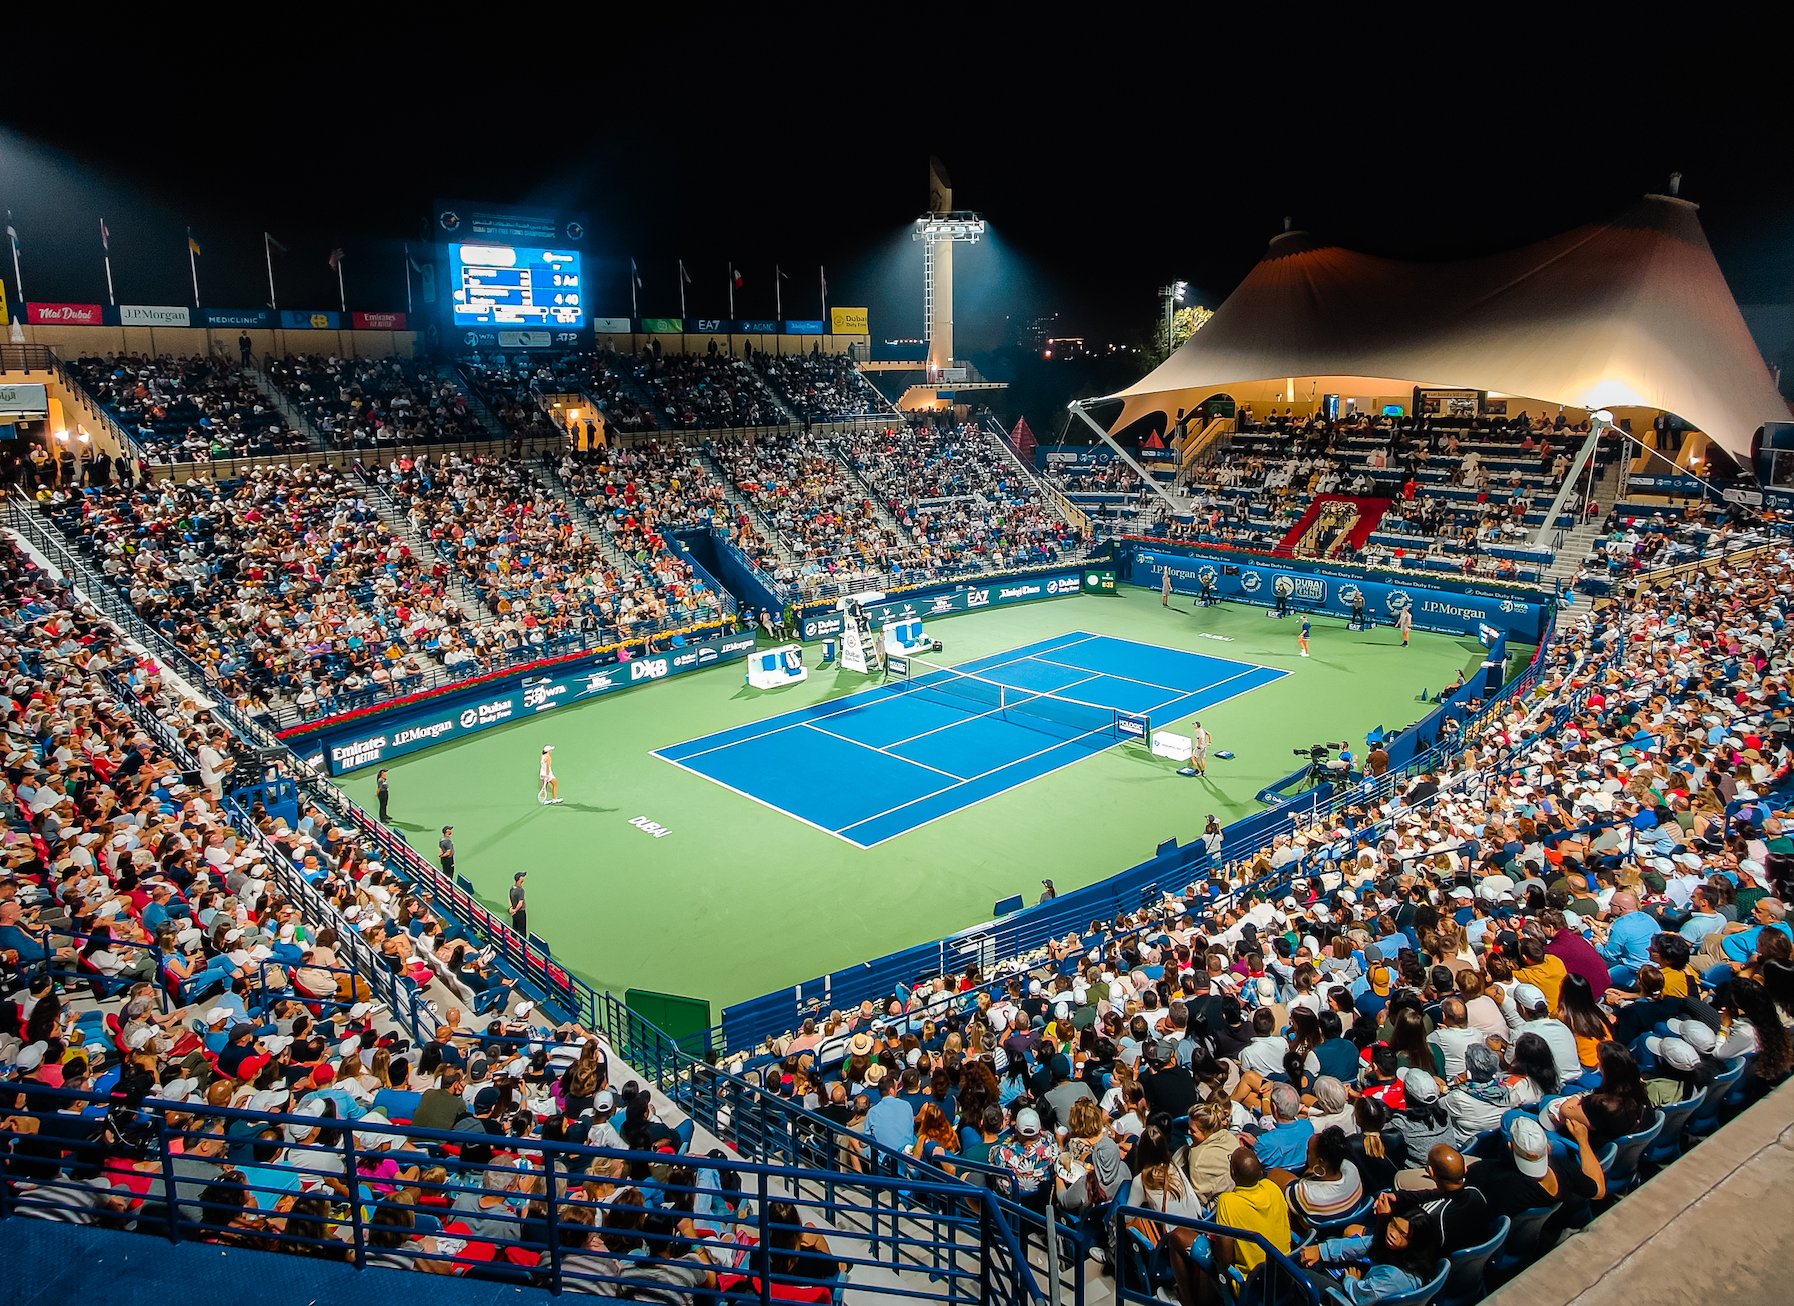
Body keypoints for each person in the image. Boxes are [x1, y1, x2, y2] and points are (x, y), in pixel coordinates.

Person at [510, 872, 529, 936]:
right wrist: (515, 910)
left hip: (514, 913)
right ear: (520, 879)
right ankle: (522, 945)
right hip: (520, 912)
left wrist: (512, 909)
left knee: (514, 928)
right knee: (522, 931)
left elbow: (510, 898)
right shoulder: (521, 890)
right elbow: (520, 903)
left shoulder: (512, 888)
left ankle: (512, 942)